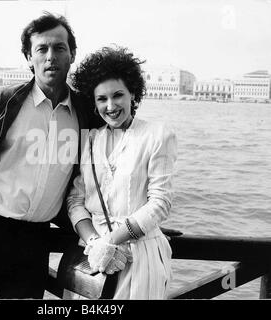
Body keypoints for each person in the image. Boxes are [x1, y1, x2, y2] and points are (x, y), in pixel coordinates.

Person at [0, 12, 95, 299]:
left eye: (60, 48)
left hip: (35, 239)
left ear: (72, 55)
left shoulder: (84, 112)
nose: (51, 57)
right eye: (42, 49)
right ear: (28, 57)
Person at [67, 46, 178, 299]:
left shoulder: (157, 136)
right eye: (101, 99)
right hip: (92, 260)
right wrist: (95, 243)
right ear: (94, 104)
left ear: (133, 94)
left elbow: (160, 203)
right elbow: (75, 200)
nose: (111, 105)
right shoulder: (90, 140)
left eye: (118, 95)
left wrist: (113, 240)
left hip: (140, 257)